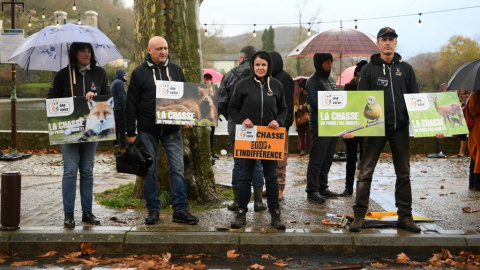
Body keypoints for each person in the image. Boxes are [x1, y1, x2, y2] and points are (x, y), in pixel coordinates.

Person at [349, 27, 421, 233]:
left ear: (396, 43)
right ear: (378, 43)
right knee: (365, 172)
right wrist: (351, 128)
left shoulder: (406, 69)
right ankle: (359, 216)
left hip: (400, 129)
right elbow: (359, 102)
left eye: (391, 39)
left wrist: (432, 125)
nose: (388, 43)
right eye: (384, 39)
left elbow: (416, 99)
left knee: (404, 173)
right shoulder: (369, 70)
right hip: (375, 129)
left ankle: (405, 217)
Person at [125, 36, 199, 225]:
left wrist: (188, 118)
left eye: (165, 48)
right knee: (149, 170)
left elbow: (186, 99)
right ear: (148, 51)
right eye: (159, 49)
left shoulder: (176, 70)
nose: (163, 52)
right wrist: (130, 133)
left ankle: (180, 210)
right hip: (147, 129)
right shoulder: (139, 73)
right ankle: (153, 210)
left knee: (178, 169)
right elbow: (131, 105)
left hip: (172, 130)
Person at [47, 42, 109, 228]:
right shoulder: (62, 75)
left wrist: (95, 97)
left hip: (91, 132)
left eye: (89, 51)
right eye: (83, 50)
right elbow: (50, 102)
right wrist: (69, 102)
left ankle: (87, 213)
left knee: (88, 171)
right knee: (71, 170)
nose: (87, 53)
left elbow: (108, 101)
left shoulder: (100, 74)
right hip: (69, 131)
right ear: (74, 53)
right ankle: (68, 214)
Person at [228, 50, 287, 230]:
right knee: (245, 177)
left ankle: (275, 214)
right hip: (249, 137)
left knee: (271, 177)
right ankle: (241, 213)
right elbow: (232, 107)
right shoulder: (243, 85)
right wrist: (242, 120)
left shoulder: (276, 86)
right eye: (257, 65)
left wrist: (279, 121)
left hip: (269, 138)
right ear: (252, 66)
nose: (260, 68)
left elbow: (284, 109)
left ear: (268, 66)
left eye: (263, 65)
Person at [218, 46, 265, 212]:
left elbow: (221, 102)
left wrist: (229, 116)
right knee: (257, 162)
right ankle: (259, 202)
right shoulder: (262, 74)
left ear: (241, 58)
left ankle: (237, 201)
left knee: (239, 163)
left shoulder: (231, 75)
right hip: (258, 127)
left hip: (237, 127)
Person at [305, 53, 341, 204]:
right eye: (327, 62)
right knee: (317, 158)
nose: (330, 64)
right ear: (319, 63)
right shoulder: (312, 81)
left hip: (333, 124)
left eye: (331, 62)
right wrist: (333, 102)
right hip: (320, 125)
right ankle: (312, 189)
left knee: (327, 159)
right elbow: (314, 101)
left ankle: (322, 186)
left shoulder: (330, 80)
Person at [269, 51, 294, 201]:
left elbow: (288, 105)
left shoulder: (285, 79)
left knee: (280, 157)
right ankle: (271, 186)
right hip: (267, 124)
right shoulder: (265, 78)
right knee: (268, 156)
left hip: (280, 125)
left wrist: (284, 123)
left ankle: (280, 187)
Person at [341, 60, 368, 196]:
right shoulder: (349, 87)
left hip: (367, 128)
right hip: (352, 127)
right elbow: (346, 108)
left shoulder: (371, 88)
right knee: (350, 159)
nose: (360, 77)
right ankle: (348, 188)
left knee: (365, 161)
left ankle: (362, 188)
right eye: (359, 75)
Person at [111, 69, 128, 156]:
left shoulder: (114, 82)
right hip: (120, 108)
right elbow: (122, 96)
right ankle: (124, 146)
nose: (126, 77)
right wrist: (125, 107)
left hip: (114, 108)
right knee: (122, 128)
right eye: (125, 75)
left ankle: (115, 146)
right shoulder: (120, 83)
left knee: (116, 128)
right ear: (121, 75)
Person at [204, 73, 219, 159]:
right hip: (203, 116)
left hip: (212, 116)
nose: (208, 81)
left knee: (212, 135)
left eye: (209, 79)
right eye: (206, 79)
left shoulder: (215, 90)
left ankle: (211, 151)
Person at [294, 79, 311, 156]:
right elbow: (294, 106)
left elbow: (313, 106)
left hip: (308, 118)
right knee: (300, 134)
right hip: (299, 117)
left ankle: (309, 149)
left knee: (309, 134)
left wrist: (306, 107)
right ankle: (302, 150)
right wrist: (298, 108)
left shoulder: (311, 95)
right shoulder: (298, 96)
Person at [467, 91, 480, 190]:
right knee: (478, 155)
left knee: (474, 155)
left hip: (474, 128)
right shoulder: (477, 95)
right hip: (478, 127)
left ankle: (472, 182)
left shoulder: (473, 94)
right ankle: (477, 184)